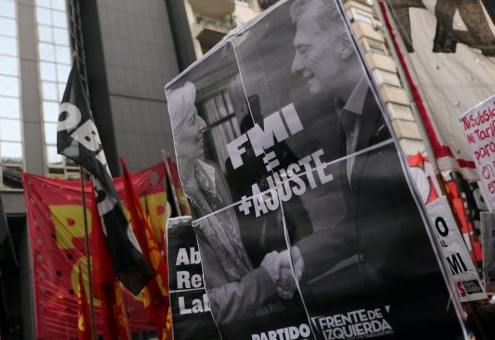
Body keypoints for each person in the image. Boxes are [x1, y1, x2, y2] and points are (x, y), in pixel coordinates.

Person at [275, 1, 461, 336]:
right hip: (409, 312)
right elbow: (367, 218)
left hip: (450, 308)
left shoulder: (401, 104)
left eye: (303, 49)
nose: (294, 65)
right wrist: (303, 254)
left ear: (345, 43)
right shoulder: (346, 119)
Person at [166, 81, 292, 325]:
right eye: (192, 121)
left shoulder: (212, 173)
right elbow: (203, 305)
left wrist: (277, 276)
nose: (204, 125)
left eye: (199, 117)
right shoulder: (172, 205)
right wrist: (265, 280)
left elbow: (241, 248)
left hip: (267, 314)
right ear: (172, 138)